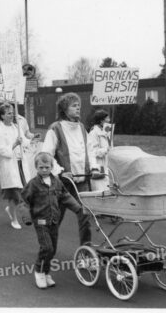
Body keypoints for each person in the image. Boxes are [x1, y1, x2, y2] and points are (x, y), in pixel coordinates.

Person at [40, 92, 98, 245]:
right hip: (62, 184)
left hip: (82, 181)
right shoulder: (55, 129)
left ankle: (86, 252)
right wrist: (59, 172)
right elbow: (46, 154)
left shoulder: (82, 128)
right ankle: (48, 244)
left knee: (85, 215)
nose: (78, 108)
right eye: (74, 105)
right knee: (56, 217)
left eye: (79, 105)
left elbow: (90, 150)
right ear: (64, 109)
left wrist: (94, 167)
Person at [22, 152, 84, 289]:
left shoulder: (56, 182)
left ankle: (46, 272)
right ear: (36, 168)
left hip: (54, 220)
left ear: (52, 167)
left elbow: (65, 196)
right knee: (46, 247)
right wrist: (27, 217)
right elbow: (24, 201)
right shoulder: (33, 184)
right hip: (41, 222)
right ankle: (39, 271)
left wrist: (78, 208)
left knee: (53, 249)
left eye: (47, 167)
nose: (44, 170)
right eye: (41, 167)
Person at [0, 103, 31, 229]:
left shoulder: (16, 127)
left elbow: (24, 141)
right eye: (9, 113)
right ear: (2, 116)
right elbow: (1, 150)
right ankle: (15, 218)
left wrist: (31, 141)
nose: (12, 115)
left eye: (12, 113)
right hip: (10, 165)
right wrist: (14, 144)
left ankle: (10, 210)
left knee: (22, 191)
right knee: (14, 192)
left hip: (20, 163)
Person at [87, 109, 112, 191]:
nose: (109, 120)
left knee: (108, 189)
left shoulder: (107, 132)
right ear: (101, 121)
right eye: (107, 119)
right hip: (98, 166)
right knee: (100, 190)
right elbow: (92, 152)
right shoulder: (93, 133)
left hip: (107, 165)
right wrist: (105, 150)